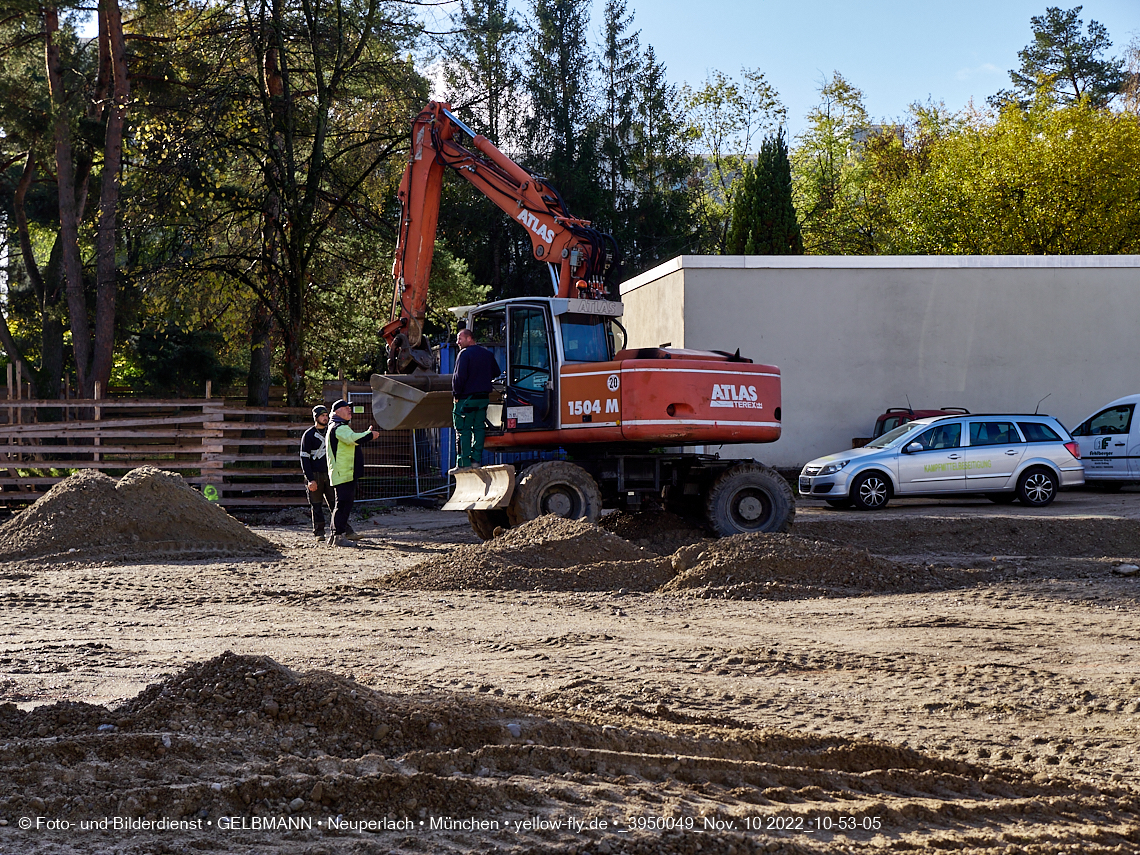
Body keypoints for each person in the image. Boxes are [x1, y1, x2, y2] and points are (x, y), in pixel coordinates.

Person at [325, 400, 379, 547]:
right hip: (343, 473)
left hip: (344, 473)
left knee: (342, 504)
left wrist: (366, 434)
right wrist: (369, 435)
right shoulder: (339, 427)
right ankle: (338, 536)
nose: (350, 410)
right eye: (346, 408)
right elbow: (354, 438)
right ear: (337, 412)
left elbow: (353, 439)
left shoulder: (338, 427)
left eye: (350, 407)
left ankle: (335, 535)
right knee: (342, 505)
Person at [452, 327, 501, 470]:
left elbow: (458, 378)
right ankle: (476, 461)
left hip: (466, 399)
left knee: (463, 430)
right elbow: (496, 372)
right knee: (479, 428)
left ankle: (463, 463)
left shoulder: (464, 354)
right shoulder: (487, 354)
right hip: (483, 399)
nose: (457, 342)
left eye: (460, 339)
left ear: (469, 338)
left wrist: (456, 396)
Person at [299, 405, 336, 538]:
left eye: (326, 416)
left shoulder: (331, 432)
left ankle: (341, 531)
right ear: (316, 417)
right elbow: (304, 458)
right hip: (315, 474)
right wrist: (310, 479)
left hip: (330, 473)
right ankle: (319, 532)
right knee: (316, 505)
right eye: (322, 416)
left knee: (336, 504)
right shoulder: (308, 435)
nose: (325, 418)